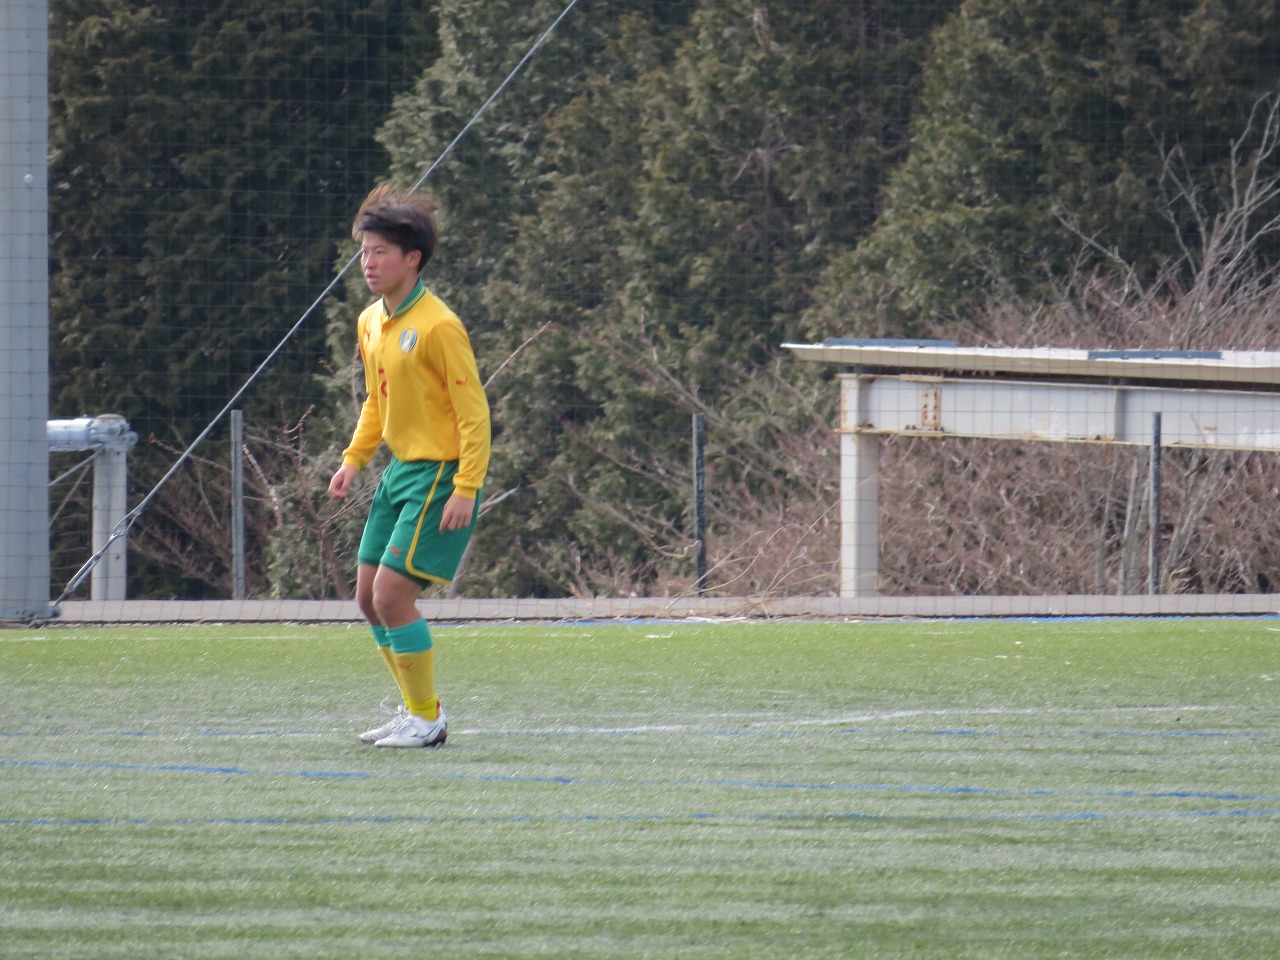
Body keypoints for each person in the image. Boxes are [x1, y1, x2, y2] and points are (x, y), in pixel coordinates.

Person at [328, 184, 490, 748]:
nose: (368, 263)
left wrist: (467, 487)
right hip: (398, 474)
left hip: (440, 475)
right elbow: (378, 401)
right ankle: (417, 711)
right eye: (364, 252)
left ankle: (427, 719)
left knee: (393, 596)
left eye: (380, 252)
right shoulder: (370, 321)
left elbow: (474, 413)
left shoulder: (439, 326)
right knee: (367, 599)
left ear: (412, 258)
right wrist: (353, 460)